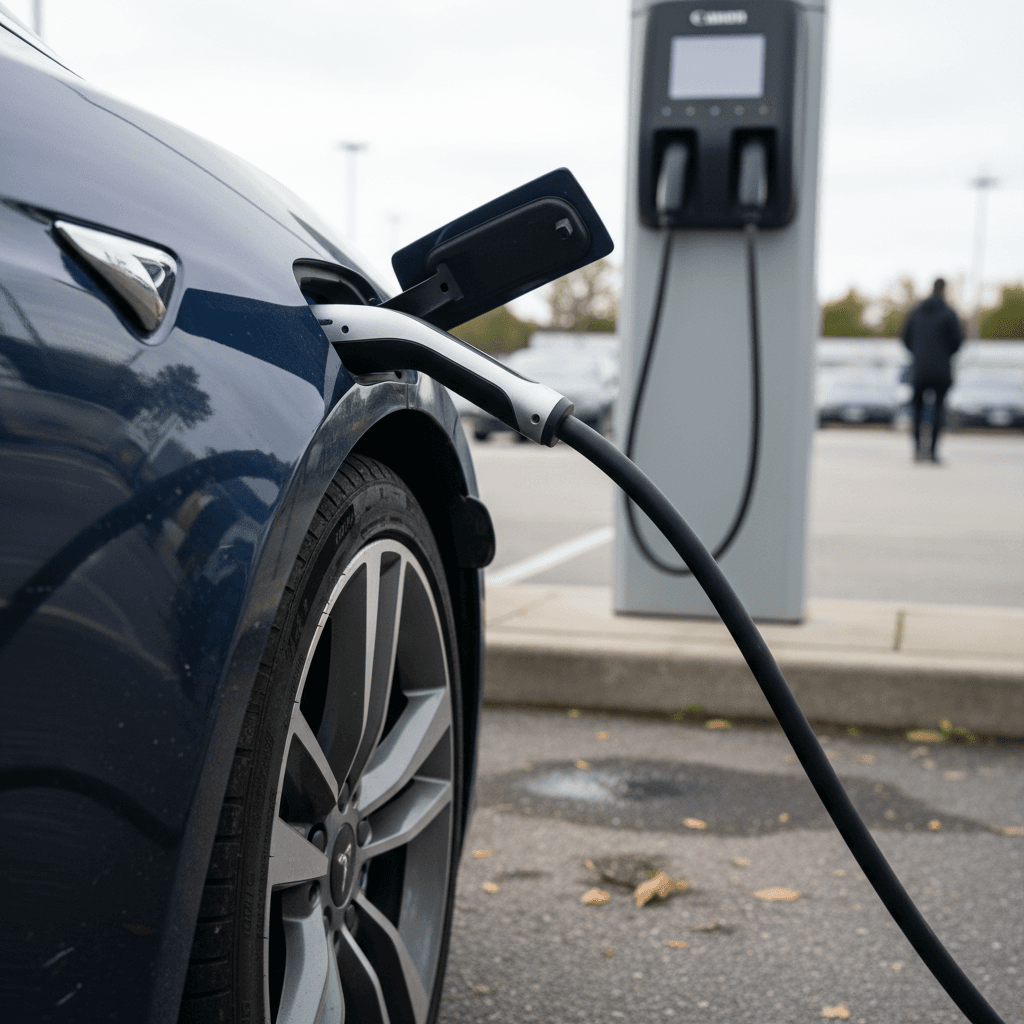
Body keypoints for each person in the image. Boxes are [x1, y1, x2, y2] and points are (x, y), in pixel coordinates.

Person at [901, 278, 964, 463]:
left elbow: (905, 338)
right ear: (944, 290)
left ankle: (917, 451)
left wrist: (919, 354)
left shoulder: (916, 312)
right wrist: (944, 355)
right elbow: (958, 341)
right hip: (941, 370)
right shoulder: (949, 313)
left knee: (917, 410)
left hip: (919, 369)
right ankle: (933, 452)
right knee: (938, 410)